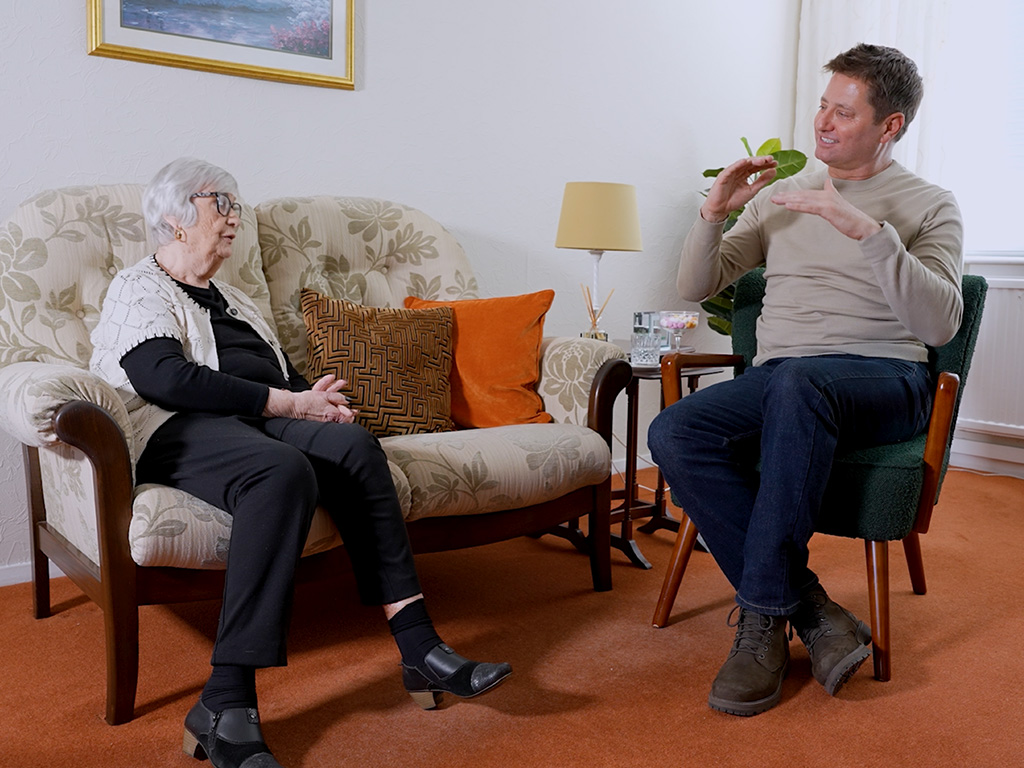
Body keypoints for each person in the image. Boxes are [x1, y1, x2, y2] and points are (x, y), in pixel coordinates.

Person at [90, 157, 511, 768]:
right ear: (176, 219)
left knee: (356, 447)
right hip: (176, 427)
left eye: (237, 204)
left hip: (258, 420)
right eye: (221, 204)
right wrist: (286, 401)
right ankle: (225, 701)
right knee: (280, 473)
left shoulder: (234, 297)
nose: (235, 216)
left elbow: (281, 376)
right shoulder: (140, 285)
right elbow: (164, 378)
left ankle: (420, 647)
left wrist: (317, 402)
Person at [648, 44, 963, 717]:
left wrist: (872, 235)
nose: (823, 122)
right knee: (676, 428)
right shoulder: (782, 201)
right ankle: (814, 611)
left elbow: (939, 325)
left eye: (843, 112)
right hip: (785, 378)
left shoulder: (929, 204)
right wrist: (714, 213)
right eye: (823, 104)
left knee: (802, 384)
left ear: (890, 126)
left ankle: (762, 620)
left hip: (885, 379)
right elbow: (695, 286)